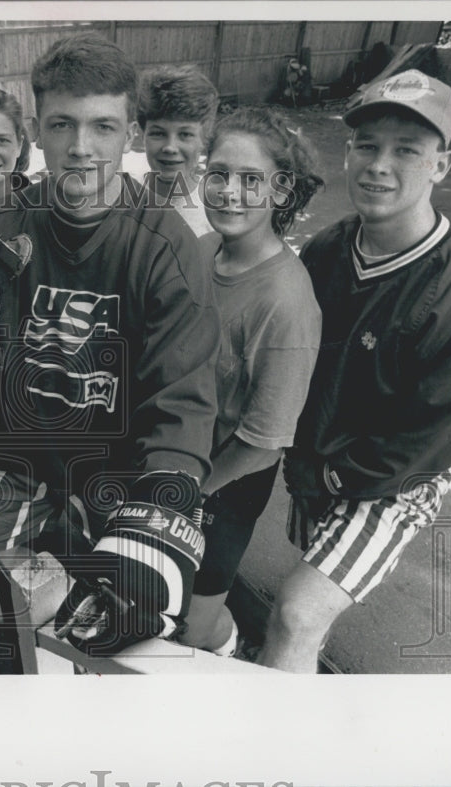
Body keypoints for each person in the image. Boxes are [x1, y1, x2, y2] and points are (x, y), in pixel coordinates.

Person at [0, 34, 220, 656]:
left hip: (117, 461)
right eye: (63, 124)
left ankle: (197, 642)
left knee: (121, 620)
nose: (81, 147)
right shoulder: (3, 222)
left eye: (103, 126)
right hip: (22, 450)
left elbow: (185, 398)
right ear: (37, 129)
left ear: (133, 134)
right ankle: (49, 616)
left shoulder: (165, 245)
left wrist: (164, 504)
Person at [259, 69, 451, 672]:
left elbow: (431, 445)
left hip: (394, 481)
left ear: (442, 165)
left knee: (297, 611)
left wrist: (324, 480)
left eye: (407, 150)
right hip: (319, 458)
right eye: (367, 145)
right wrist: (303, 467)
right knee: (303, 607)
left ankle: (273, 753)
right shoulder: (329, 248)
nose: (379, 164)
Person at [179, 107, 324, 656]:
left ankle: (227, 642)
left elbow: (263, 446)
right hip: (172, 456)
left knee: (191, 627)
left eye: (251, 179)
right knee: (146, 590)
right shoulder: (199, 252)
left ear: (281, 191)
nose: (230, 193)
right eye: (219, 174)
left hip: (224, 484)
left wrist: (188, 493)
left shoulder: (286, 302)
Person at [137, 64, 220, 238]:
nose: (170, 147)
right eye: (158, 133)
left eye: (185, 134)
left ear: (204, 138)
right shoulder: (124, 196)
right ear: (142, 134)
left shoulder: (215, 213)